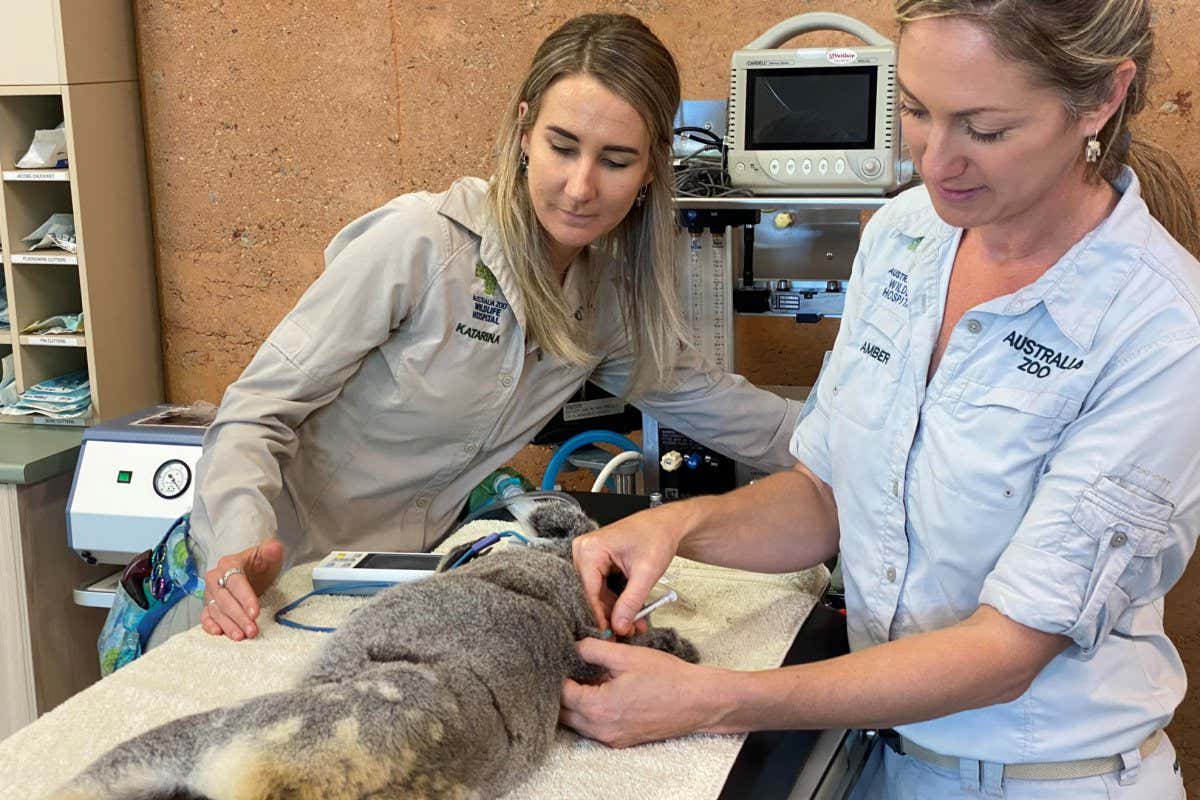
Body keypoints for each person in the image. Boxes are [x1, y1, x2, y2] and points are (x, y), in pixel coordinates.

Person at [564, 2, 1198, 798]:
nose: (936, 161)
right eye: (916, 112)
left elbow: (1006, 654)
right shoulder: (905, 236)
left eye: (985, 129)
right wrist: (675, 527)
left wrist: (715, 701)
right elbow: (830, 496)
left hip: (1042, 777)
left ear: (1101, 99)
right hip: (874, 761)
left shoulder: (1162, 333)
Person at [176, 13, 801, 646]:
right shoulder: (421, 243)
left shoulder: (607, 304)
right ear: (524, 130)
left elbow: (736, 414)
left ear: (649, 170)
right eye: (562, 147)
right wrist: (238, 546)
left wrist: (871, 466)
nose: (580, 187)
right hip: (253, 590)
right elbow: (256, 414)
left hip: (387, 601)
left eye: (615, 161)